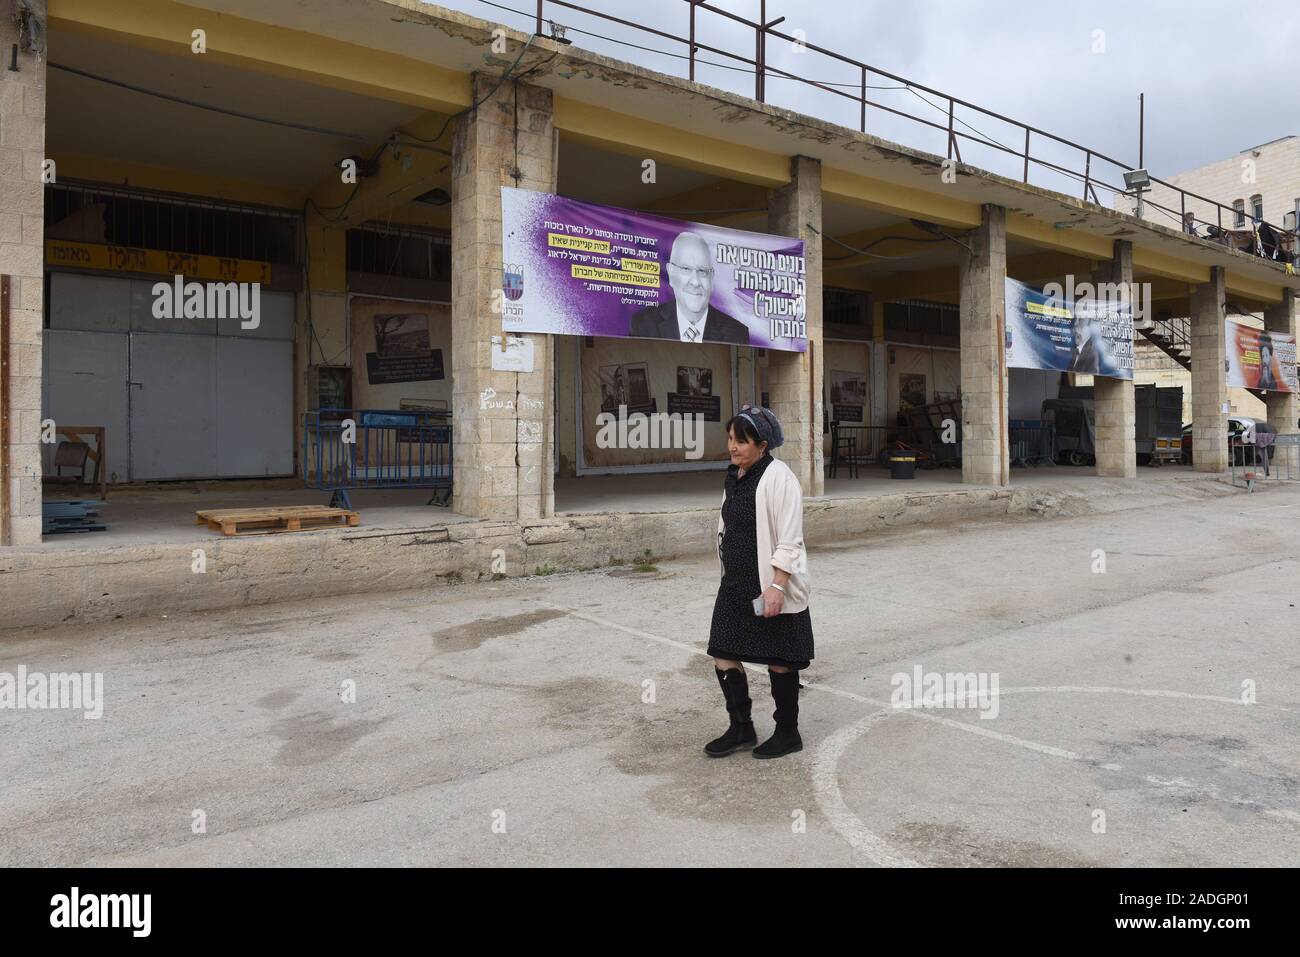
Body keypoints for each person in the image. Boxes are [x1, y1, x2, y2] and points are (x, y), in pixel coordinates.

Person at [704, 404, 814, 759]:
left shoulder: (779, 477)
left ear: (763, 445)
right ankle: (741, 728)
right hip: (735, 584)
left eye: (742, 441)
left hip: (769, 585)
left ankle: (787, 733)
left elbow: (790, 538)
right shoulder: (734, 475)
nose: (733, 447)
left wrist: (777, 586)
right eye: (731, 439)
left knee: (779, 658)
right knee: (722, 651)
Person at [630, 232, 750, 345]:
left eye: (702, 271)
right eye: (685, 269)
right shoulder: (643, 325)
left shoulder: (736, 334)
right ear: (671, 273)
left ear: (711, 278)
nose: (695, 282)